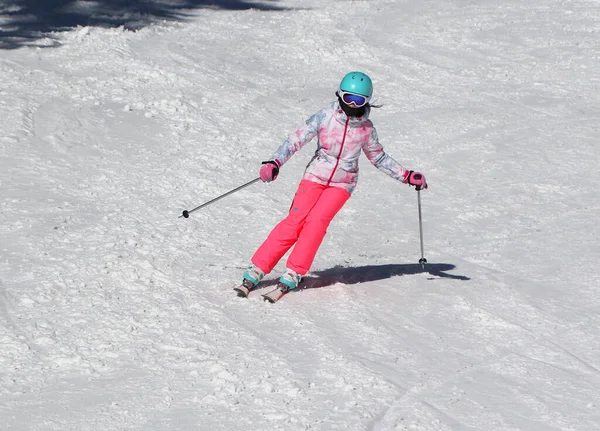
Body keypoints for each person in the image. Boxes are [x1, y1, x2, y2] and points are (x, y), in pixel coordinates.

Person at [236, 71, 428, 297]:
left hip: (342, 184)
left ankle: (294, 272)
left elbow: (378, 157)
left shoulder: (366, 130)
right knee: (295, 221)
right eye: (348, 98)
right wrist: (274, 162)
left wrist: (406, 175)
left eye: (359, 101)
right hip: (315, 176)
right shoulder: (325, 117)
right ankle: (258, 268)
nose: (352, 105)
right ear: (340, 95)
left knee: (316, 222)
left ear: (366, 102)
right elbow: (296, 139)